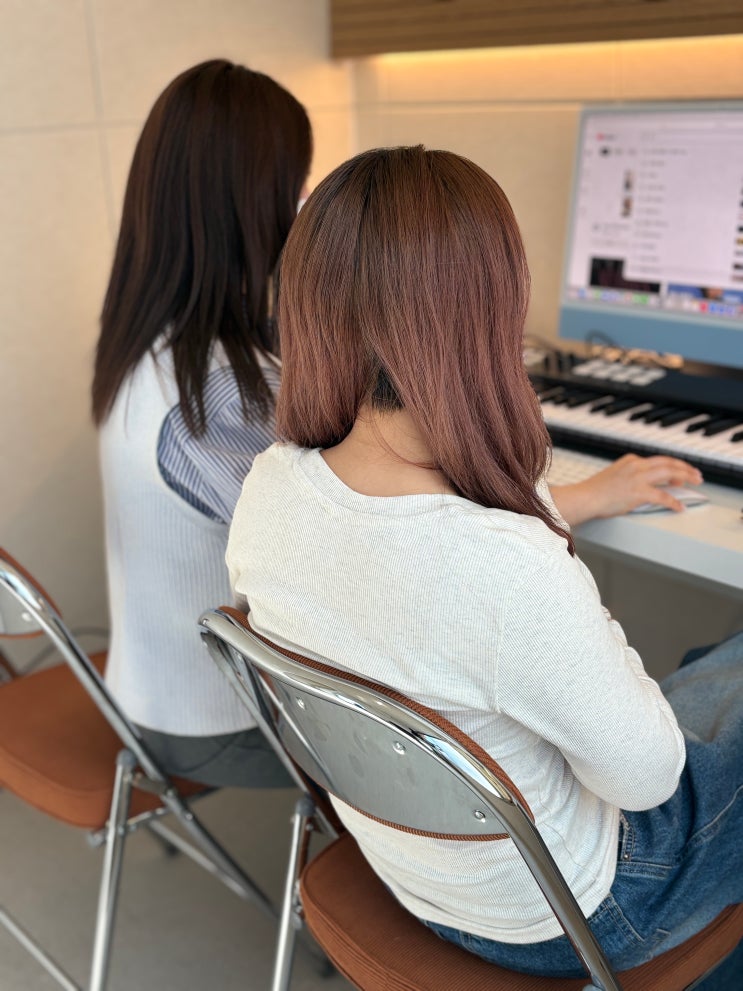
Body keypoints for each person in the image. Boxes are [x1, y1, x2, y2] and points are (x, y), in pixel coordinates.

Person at [226, 146, 742, 983]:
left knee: (709, 668)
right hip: (577, 912)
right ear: (487, 310)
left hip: (418, 872)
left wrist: (578, 500)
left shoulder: (272, 488)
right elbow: (647, 779)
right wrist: (558, 569)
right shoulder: (507, 567)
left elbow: (408, 567)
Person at [91, 59, 311, 787]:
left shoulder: (145, 346)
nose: (304, 207)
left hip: (143, 690)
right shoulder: (221, 393)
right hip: (217, 725)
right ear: (254, 203)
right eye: (296, 184)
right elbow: (359, 546)